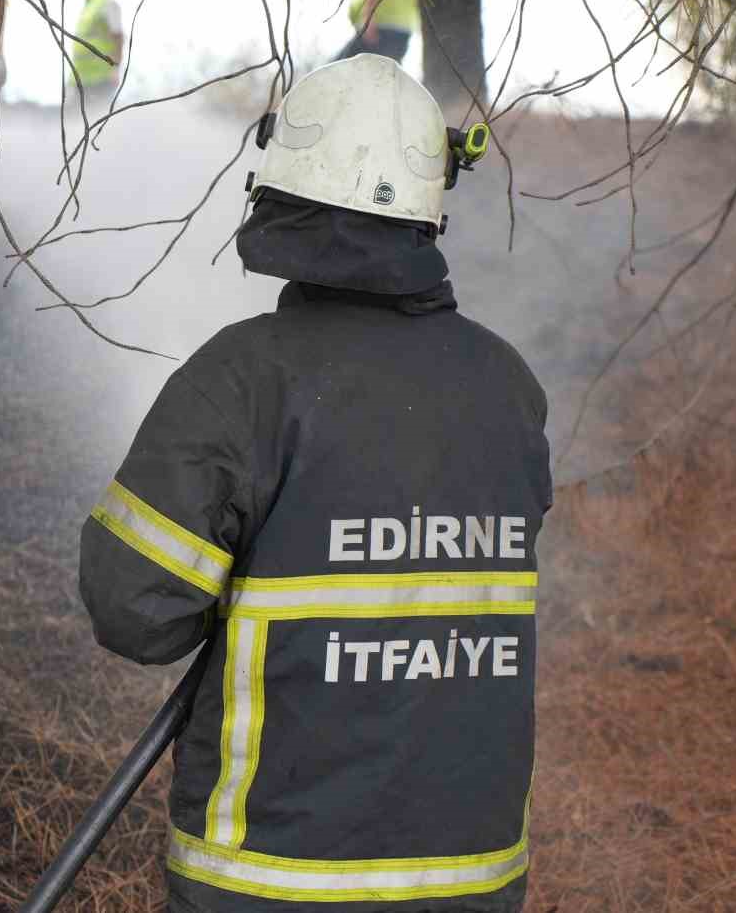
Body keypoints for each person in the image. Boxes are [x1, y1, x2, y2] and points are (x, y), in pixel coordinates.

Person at [79, 54, 552, 913]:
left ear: (284, 192)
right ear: (427, 210)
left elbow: (135, 609)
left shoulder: (244, 380)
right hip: (471, 881)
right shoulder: (509, 388)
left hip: (269, 880)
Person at [70, 0, 124, 104]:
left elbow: (118, 36)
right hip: (81, 78)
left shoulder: (106, 4)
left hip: (101, 78)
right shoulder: (87, 7)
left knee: (99, 116)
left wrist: (115, 69)